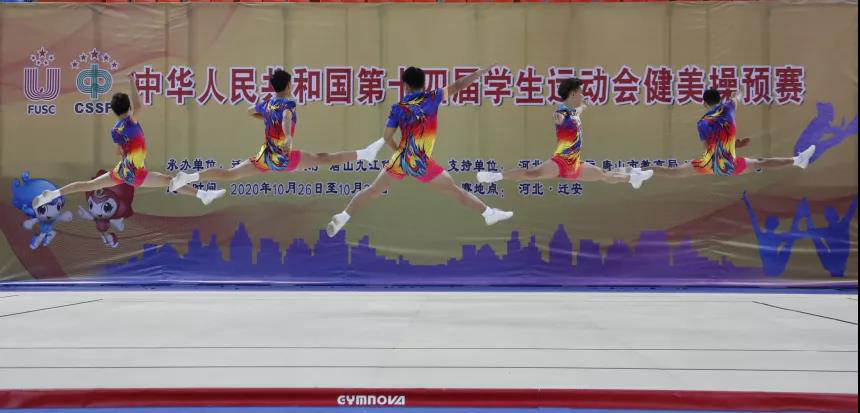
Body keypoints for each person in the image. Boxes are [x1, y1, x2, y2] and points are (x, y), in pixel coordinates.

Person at [325, 66, 514, 237]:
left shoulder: (398, 108)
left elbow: (387, 137)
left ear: (405, 85)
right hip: (420, 161)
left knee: (373, 190)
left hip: (401, 158)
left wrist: (400, 152)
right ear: (424, 84)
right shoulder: (433, 97)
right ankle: (488, 214)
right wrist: (479, 73)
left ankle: (343, 216)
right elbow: (458, 85)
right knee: (455, 191)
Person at [33, 72, 224, 210]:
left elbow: (120, 151)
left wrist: (130, 153)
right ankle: (203, 195)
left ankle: (52, 194)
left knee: (87, 185)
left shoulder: (115, 129)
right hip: (136, 173)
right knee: (171, 181)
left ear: (115, 111)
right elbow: (139, 106)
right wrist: (133, 81)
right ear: (128, 108)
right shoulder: (131, 123)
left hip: (122, 170)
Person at [476, 78, 653, 189]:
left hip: (575, 164)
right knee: (532, 174)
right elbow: (560, 117)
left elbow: (578, 111)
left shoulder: (574, 111)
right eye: (581, 92)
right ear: (573, 93)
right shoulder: (561, 110)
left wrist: (583, 106)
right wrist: (562, 117)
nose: (583, 95)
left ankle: (633, 178)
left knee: (604, 175)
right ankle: (494, 176)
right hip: (561, 160)